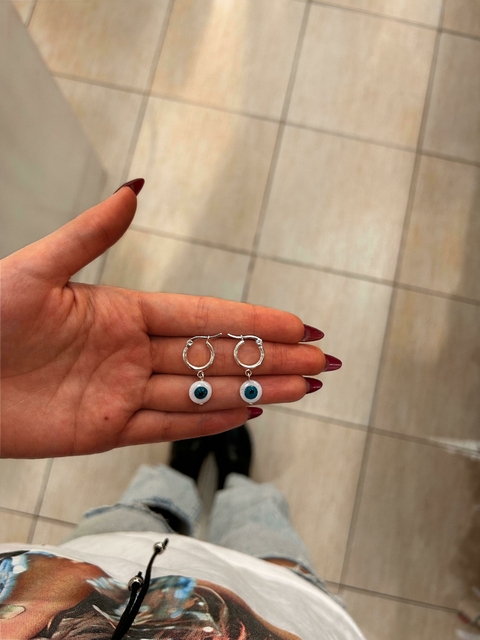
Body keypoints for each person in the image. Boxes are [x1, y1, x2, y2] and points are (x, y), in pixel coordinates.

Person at [0, 180, 364, 639]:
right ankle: (236, 486)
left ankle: (176, 485)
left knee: (134, 521)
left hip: (86, 567)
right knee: (262, 537)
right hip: (279, 611)